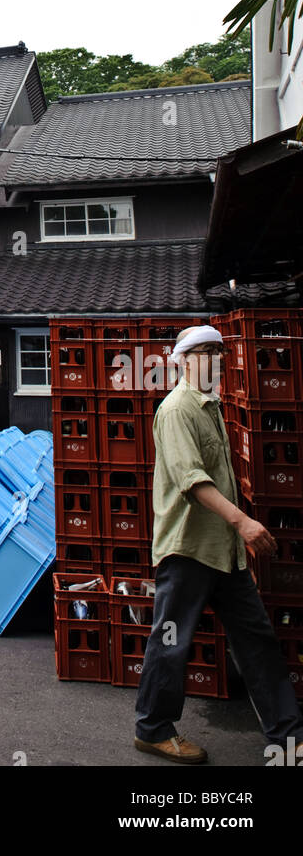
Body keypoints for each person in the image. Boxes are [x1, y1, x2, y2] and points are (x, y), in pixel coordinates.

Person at [133, 323, 303, 765]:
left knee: (257, 639)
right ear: (185, 360)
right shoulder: (177, 410)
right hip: (187, 548)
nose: (215, 360)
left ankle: (290, 736)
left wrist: (235, 530)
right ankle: (153, 730)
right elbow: (192, 482)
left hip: (222, 548)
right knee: (171, 642)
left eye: (220, 353)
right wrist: (243, 521)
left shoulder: (211, 406)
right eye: (205, 353)